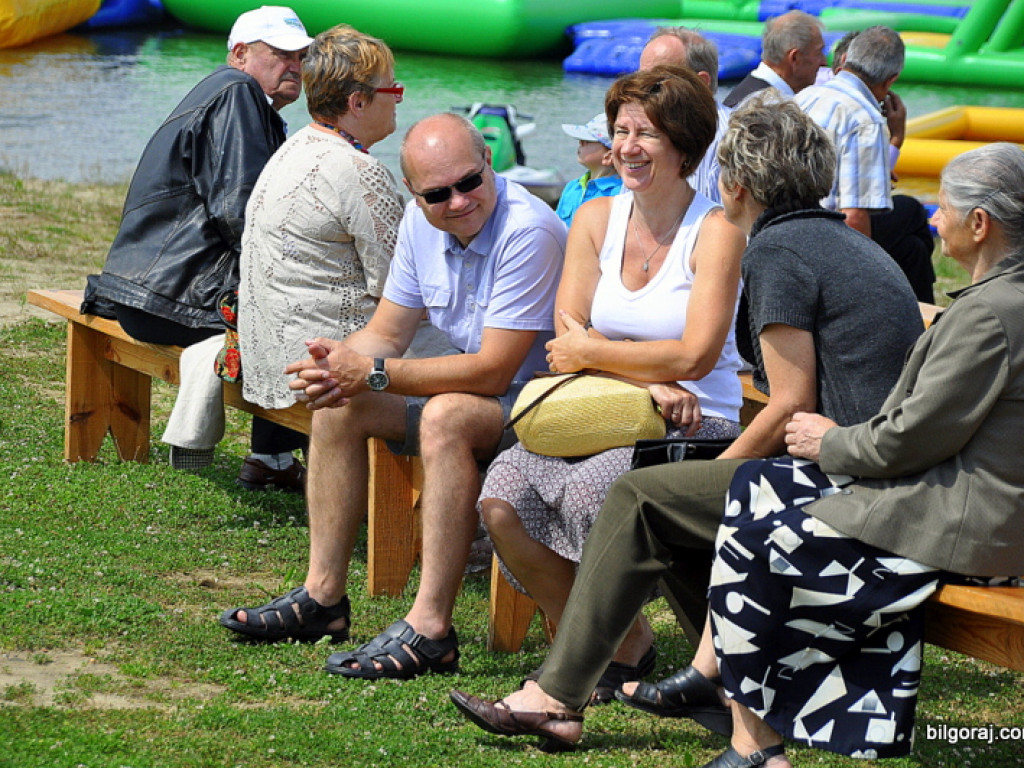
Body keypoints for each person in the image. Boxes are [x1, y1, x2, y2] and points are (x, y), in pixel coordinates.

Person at [449, 95, 923, 753]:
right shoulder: (834, 240)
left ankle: (560, 698)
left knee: (649, 495)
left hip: (853, 481)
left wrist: (719, 471)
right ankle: (705, 677)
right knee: (665, 493)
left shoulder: (778, 250)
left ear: (736, 184)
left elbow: (789, 401)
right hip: (878, 468)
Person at [702, 141, 1024, 767]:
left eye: (944, 209)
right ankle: (714, 676)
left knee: (762, 544)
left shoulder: (992, 315)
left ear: (980, 224)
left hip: (974, 527)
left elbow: (911, 437)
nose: (934, 219)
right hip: (961, 496)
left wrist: (829, 442)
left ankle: (757, 745)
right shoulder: (997, 301)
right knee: (757, 485)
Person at [219, 113, 567, 678]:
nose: (458, 201)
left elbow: (494, 372)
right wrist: (336, 368)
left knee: (446, 417)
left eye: (469, 182)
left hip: (540, 401)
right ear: (413, 191)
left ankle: (431, 628)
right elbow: (387, 331)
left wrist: (372, 372)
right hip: (482, 392)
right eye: (437, 194)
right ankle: (323, 598)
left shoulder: (529, 231)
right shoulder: (418, 223)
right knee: (341, 404)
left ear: (489, 163)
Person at [479, 65, 745, 703]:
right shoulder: (596, 218)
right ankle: (623, 640)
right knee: (502, 498)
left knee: (590, 492)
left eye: (646, 134)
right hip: (608, 406)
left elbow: (697, 356)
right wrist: (641, 377)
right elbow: (566, 332)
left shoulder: (716, 230)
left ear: (685, 146)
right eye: (621, 131)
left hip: (696, 418)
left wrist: (607, 357)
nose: (627, 146)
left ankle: (583, 661)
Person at [80, 6, 314, 485]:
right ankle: (278, 460)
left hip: (148, 289)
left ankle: (274, 458)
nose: (294, 66)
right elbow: (241, 212)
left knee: (295, 308)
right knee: (313, 323)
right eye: (280, 54)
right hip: (171, 295)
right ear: (240, 54)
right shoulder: (238, 93)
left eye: (301, 56)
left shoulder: (236, 98)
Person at [236, 24, 404, 463]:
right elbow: (400, 289)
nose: (399, 100)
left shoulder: (295, 147)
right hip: (316, 367)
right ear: (358, 102)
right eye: (394, 90)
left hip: (269, 356)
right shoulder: (360, 172)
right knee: (474, 357)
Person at [795, 25, 935, 302]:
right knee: (912, 212)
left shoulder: (804, 97)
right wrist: (861, 291)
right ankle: (922, 315)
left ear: (846, 59)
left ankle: (918, 309)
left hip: (791, 227)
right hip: (826, 237)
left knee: (913, 249)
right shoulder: (865, 119)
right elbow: (854, 215)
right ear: (891, 80)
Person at [638, 26, 728, 203]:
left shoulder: (731, 139)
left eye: (657, 82)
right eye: (639, 79)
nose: (642, 90)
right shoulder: (635, 135)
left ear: (701, 82)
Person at [722, 10, 827, 108]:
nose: (824, 62)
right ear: (795, 58)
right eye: (818, 53)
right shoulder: (768, 109)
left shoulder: (748, 98)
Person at [554, 112, 622, 227]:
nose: (580, 143)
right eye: (580, 139)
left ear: (609, 156)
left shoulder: (620, 193)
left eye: (587, 141)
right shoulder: (573, 187)